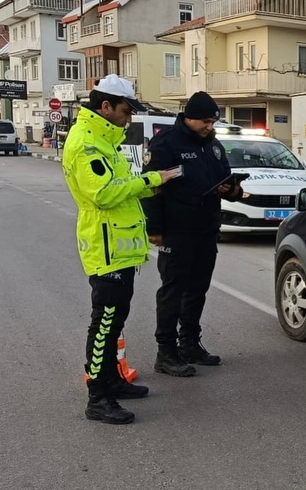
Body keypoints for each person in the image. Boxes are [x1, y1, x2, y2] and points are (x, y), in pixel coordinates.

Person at [63, 74, 177, 424]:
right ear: (106, 106)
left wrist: (149, 187)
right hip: (105, 247)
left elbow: (120, 185)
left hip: (119, 246)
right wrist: (153, 180)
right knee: (105, 323)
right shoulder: (86, 143)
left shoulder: (106, 138)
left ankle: (112, 378)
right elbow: (103, 194)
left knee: (116, 320)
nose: (130, 117)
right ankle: (97, 397)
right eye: (127, 110)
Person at [142, 91, 243, 377]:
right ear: (190, 117)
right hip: (177, 229)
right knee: (173, 290)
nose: (210, 127)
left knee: (198, 289)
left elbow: (228, 181)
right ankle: (166, 352)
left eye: (213, 122)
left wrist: (231, 189)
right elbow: (150, 189)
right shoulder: (166, 143)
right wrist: (155, 228)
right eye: (206, 121)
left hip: (206, 228)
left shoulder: (213, 146)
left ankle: (189, 343)